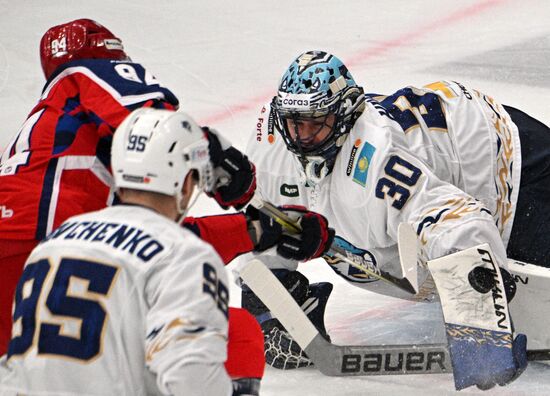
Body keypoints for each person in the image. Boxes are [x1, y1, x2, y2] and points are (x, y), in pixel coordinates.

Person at [0, 17, 334, 373]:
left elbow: (160, 245)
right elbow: (158, 125)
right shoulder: (82, 75)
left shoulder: (59, 149)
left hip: (27, 273)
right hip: (45, 257)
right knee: (234, 335)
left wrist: (260, 230)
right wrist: (219, 163)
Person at [244, 50, 550, 390]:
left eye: (315, 124)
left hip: (503, 159)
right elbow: (268, 224)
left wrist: (478, 318)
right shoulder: (273, 148)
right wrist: (269, 305)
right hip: (442, 152)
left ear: (344, 114)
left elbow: (457, 220)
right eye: (293, 122)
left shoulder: (377, 162)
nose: (300, 138)